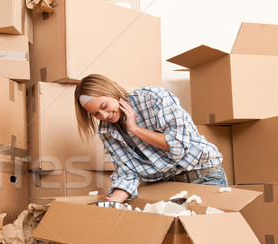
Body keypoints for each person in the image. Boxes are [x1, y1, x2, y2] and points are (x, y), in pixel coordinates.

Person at [74, 74, 228, 202]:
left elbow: (178, 145)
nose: (104, 116)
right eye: (95, 114)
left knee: (210, 235)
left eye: (104, 106)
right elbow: (128, 172)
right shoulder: (107, 132)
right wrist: (113, 202)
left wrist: (134, 129)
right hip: (168, 188)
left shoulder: (153, 98)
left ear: (112, 92)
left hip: (204, 178)